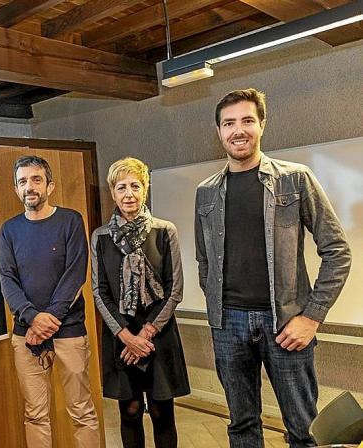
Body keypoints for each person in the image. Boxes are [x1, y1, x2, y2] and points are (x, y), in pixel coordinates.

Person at [195, 88, 351, 447]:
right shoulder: (206, 192)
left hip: (286, 322)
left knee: (303, 429)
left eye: (247, 120)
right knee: (242, 425)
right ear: (219, 131)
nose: (238, 130)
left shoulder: (295, 179)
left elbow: (337, 250)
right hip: (227, 324)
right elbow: (205, 261)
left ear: (262, 124)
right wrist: (219, 308)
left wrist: (310, 317)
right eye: (229, 123)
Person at [0, 155, 100, 447]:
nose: (29, 187)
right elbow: (7, 279)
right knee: (35, 414)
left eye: (36, 179)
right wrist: (32, 318)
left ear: (50, 185)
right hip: (26, 335)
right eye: (22, 181)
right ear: (16, 189)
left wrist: (47, 321)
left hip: (68, 331)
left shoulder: (70, 220)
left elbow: (75, 274)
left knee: (82, 411)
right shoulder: (9, 230)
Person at [91, 157, 190, 447]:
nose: (129, 193)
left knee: (162, 412)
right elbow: (100, 292)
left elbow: (174, 290)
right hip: (121, 337)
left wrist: (145, 335)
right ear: (112, 192)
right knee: (130, 412)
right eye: (121, 187)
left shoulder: (164, 230)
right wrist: (127, 337)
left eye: (135, 185)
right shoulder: (100, 237)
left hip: (157, 334)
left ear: (145, 189)